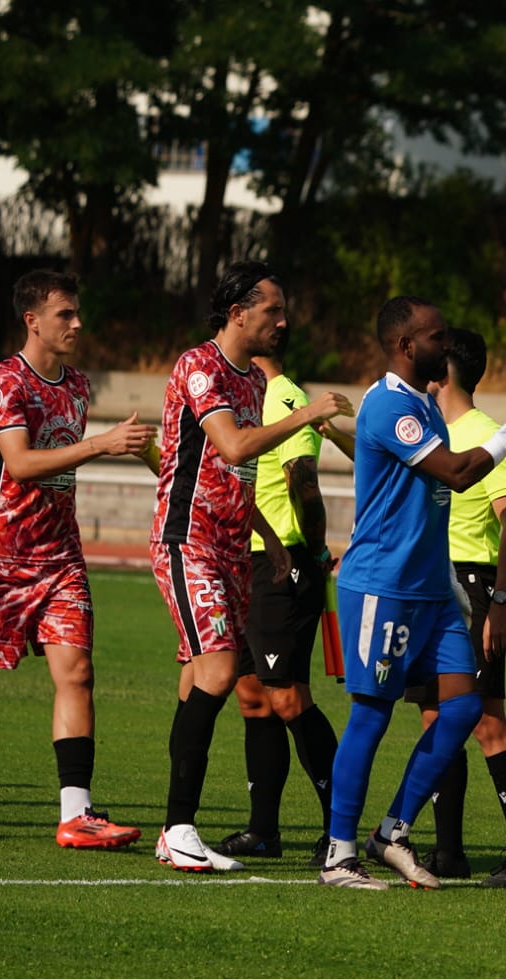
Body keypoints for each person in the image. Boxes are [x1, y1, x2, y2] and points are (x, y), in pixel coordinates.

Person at [318, 296, 506, 890]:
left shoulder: (423, 404)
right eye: (437, 337)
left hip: (431, 588)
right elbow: (457, 473)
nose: (448, 345)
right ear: (406, 346)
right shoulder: (392, 405)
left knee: (465, 707)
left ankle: (391, 831)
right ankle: (339, 855)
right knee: (372, 713)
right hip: (383, 586)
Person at [151, 261, 352, 872]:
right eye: (273, 310)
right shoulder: (200, 366)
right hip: (189, 540)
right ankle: (178, 828)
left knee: (209, 682)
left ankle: (184, 828)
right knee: (217, 671)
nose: (283, 321)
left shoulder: (249, 383)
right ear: (238, 312)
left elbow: (234, 476)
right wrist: (307, 414)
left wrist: (269, 536)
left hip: (235, 549)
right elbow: (235, 447)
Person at [0, 270, 154, 847]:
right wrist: (100, 445)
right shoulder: (3, 381)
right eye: (65, 314)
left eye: (78, 312)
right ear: (32, 320)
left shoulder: (78, 385)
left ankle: (76, 814)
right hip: (1, 557)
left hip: (61, 557)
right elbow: (18, 463)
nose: (77, 323)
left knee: (78, 673)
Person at [420, 326, 506, 888]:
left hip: (472, 590)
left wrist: (499, 601)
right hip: (427, 587)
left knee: (485, 721)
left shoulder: (489, 435)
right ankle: (449, 852)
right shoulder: (429, 430)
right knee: (433, 719)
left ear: (443, 367)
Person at [215, 340, 343, 868]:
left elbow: (304, 485)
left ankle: (340, 830)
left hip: (282, 564)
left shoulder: (285, 395)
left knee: (288, 696)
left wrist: (312, 550)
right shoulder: (238, 394)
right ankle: (263, 830)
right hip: (244, 561)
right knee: (251, 695)